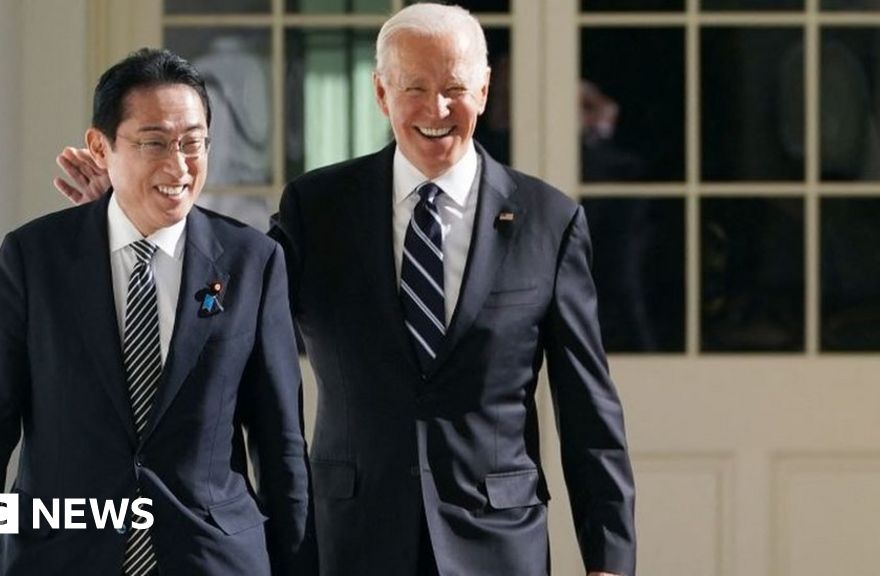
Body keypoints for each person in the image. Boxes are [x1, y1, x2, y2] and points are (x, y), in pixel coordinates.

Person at [56, 5, 636, 575]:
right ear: (382, 95)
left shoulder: (547, 220)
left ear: (484, 91)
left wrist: (608, 559)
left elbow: (588, 408)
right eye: (414, 87)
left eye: (455, 87)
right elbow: (226, 297)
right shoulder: (319, 208)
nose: (437, 108)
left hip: (497, 542)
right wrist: (131, 214)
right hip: (351, 537)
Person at [0, 48, 314, 576]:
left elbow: (282, 451)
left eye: (193, 143)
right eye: (155, 143)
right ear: (101, 145)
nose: (179, 166)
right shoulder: (34, 259)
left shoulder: (253, 262)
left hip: (213, 560)